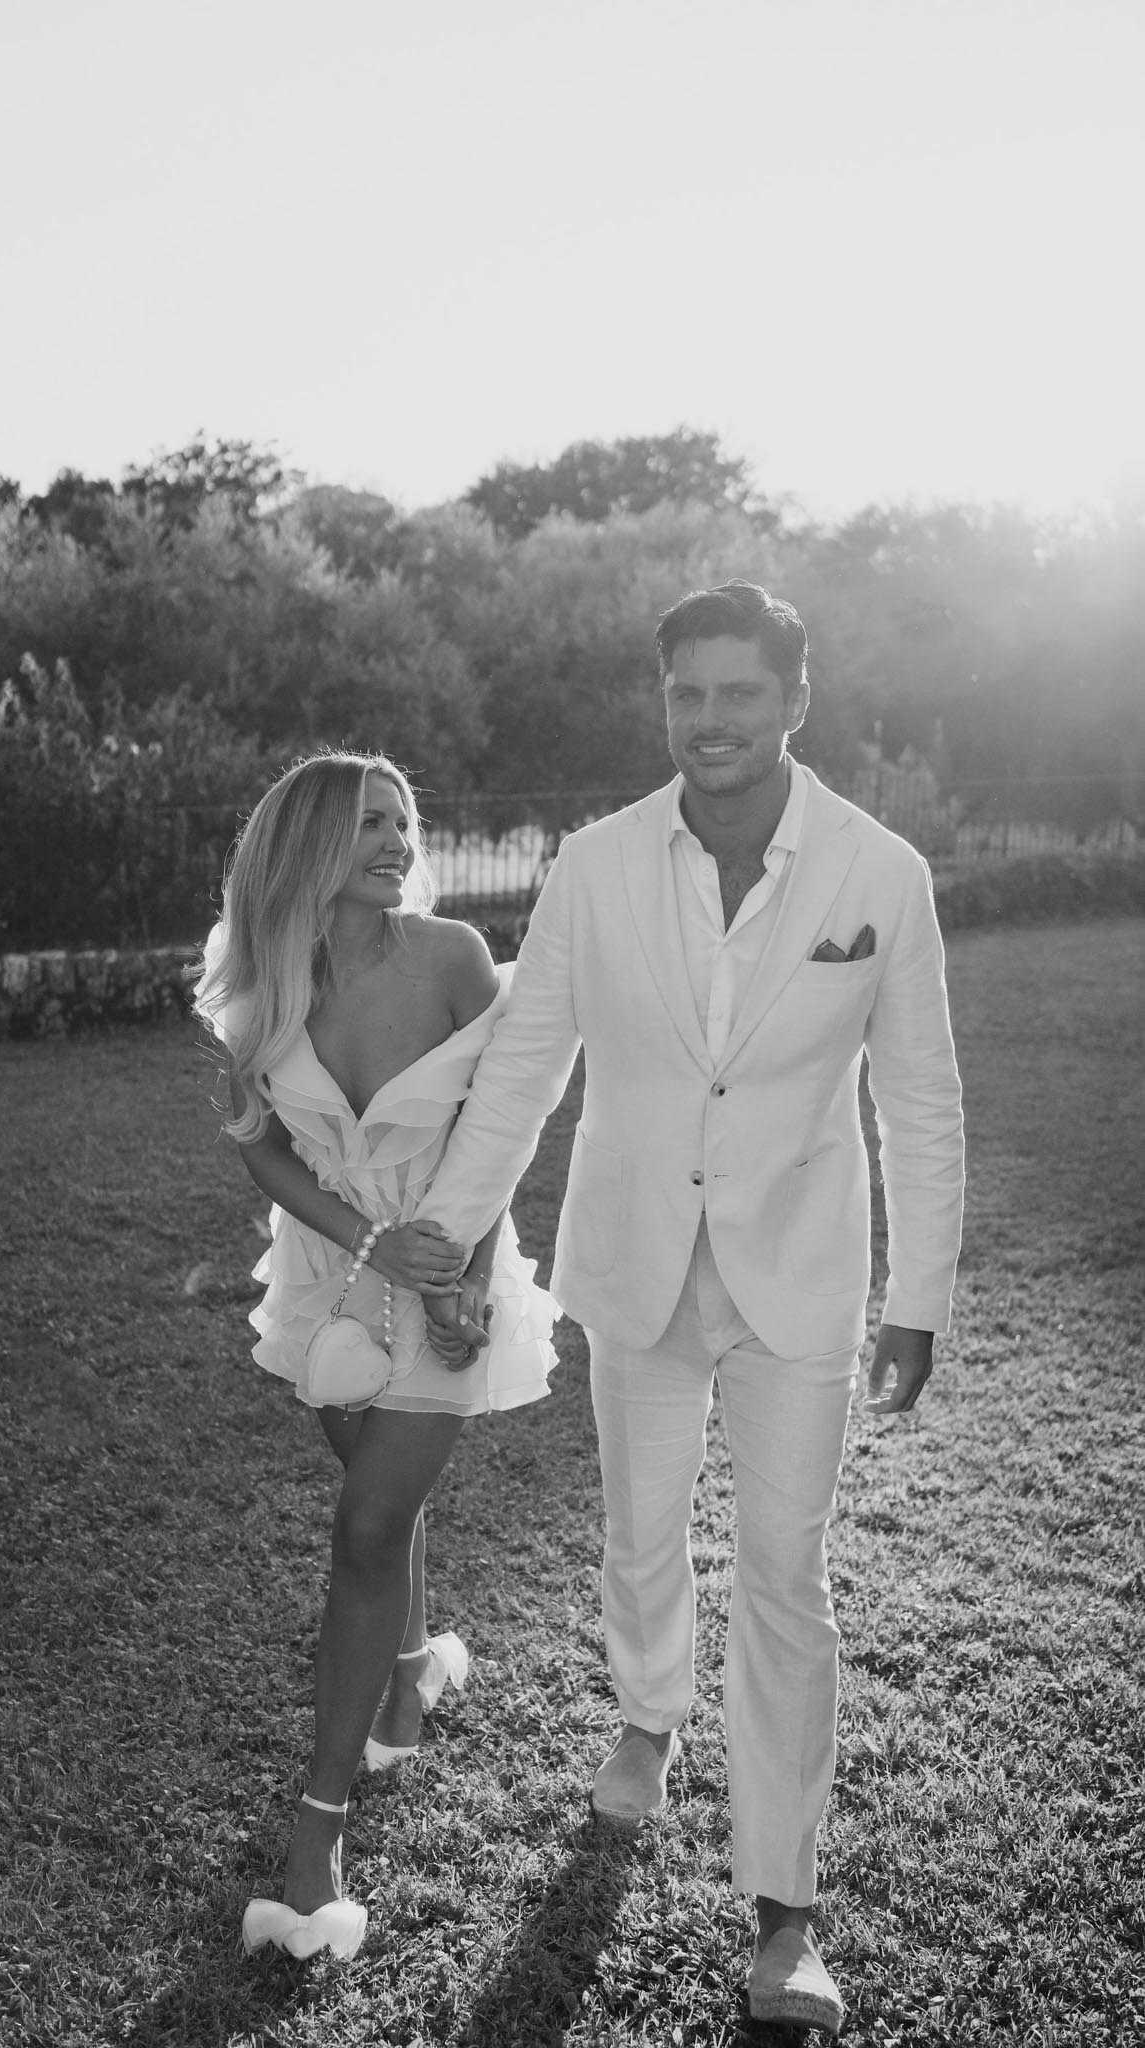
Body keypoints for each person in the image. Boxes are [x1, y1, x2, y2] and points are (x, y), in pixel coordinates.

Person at [421, 580, 964, 2034]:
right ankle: (650, 1714)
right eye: (686, 694)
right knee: (639, 1530)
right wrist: (443, 1239)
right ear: (663, 705)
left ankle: (784, 1914)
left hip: (802, 1277)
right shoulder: (593, 866)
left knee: (788, 1576)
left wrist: (918, 1293)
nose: (709, 721)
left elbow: (917, 1094)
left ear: (796, 700)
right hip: (636, 1266)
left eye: (739, 692)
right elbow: (526, 1067)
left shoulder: (879, 871)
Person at [193, 749, 557, 1962]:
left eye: (405, 821)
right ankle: (410, 1672)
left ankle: (316, 1842)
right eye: (368, 824)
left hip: (451, 1271)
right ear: (305, 847)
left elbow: (500, 1122)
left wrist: (457, 1268)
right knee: (373, 1495)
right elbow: (260, 1143)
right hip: (329, 1284)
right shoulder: (264, 981)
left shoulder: (453, 956)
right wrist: (362, 1241)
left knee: (361, 1526)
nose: (398, 840)